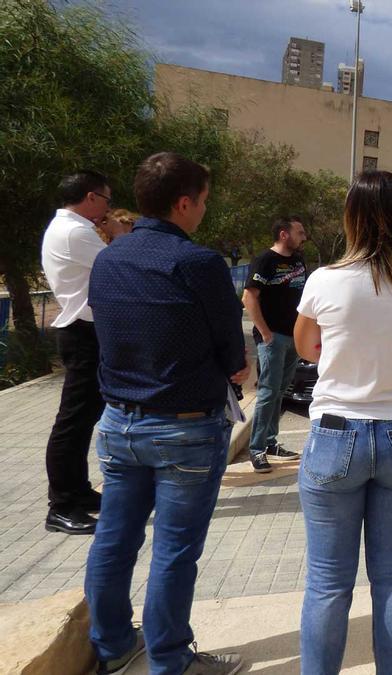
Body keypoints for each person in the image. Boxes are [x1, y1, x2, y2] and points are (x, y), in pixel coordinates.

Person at [86, 152, 248, 673]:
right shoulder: (197, 263)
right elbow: (233, 353)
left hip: (117, 421)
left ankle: (112, 647)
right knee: (174, 552)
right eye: (202, 201)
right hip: (184, 428)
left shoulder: (108, 258)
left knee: (114, 539)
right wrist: (234, 369)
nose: (203, 210)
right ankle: (170, 661)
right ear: (183, 202)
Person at [293, 170, 392, 673]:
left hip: (336, 433)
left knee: (327, 582)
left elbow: (305, 347)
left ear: (352, 217)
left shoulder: (325, 281)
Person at [39, 171, 112, 536]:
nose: (108, 209)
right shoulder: (76, 231)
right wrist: (120, 234)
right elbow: (118, 264)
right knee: (73, 421)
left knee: (83, 419)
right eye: (106, 200)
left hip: (86, 331)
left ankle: (79, 492)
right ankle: (62, 505)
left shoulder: (69, 228)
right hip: (82, 333)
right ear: (91, 197)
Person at [242, 216, 309, 473]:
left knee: (280, 391)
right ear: (284, 234)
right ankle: (256, 449)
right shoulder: (265, 261)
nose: (303, 236)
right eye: (299, 231)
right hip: (273, 338)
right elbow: (248, 297)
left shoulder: (299, 261)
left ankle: (270, 442)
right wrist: (265, 333)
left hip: (294, 336)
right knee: (268, 392)